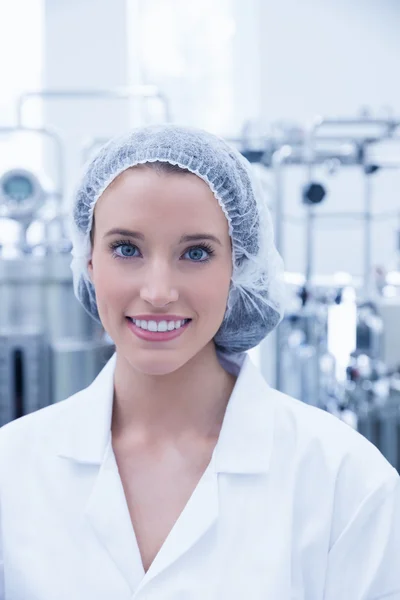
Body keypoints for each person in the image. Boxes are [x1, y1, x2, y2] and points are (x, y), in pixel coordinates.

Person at [0, 124, 398, 600]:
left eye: (196, 253)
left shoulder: (344, 482)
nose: (158, 292)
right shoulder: (13, 468)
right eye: (126, 249)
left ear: (239, 266)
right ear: (89, 260)